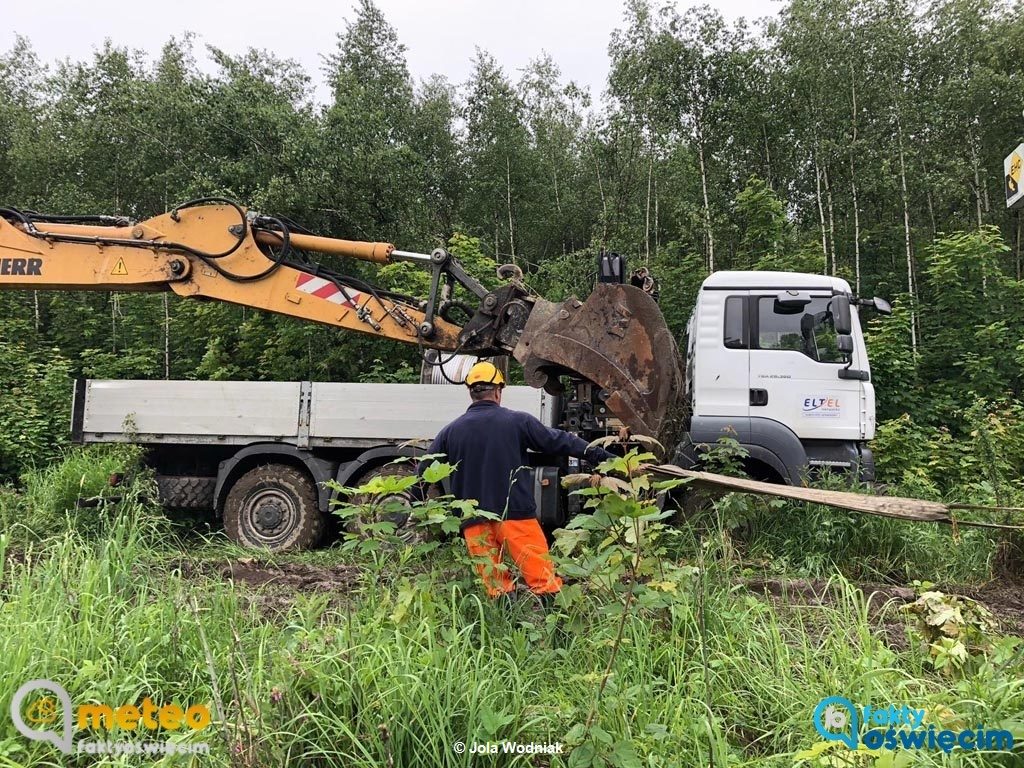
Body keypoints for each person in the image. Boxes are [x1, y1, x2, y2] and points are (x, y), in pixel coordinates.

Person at [425, 361, 615, 601]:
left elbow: (425, 470)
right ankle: (558, 637)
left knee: (495, 586)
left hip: (473, 520)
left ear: (471, 392)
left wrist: (428, 508)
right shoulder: (517, 422)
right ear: (497, 391)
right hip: (514, 516)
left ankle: (505, 632)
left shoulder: (450, 431)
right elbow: (561, 441)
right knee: (543, 578)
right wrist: (601, 455)